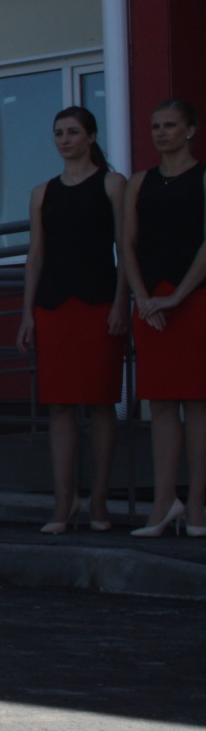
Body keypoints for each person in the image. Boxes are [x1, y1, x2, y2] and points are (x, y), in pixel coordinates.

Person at [16, 106, 127, 534]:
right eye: (58, 132)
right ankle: (65, 501)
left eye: (73, 132)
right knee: (60, 405)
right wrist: (27, 312)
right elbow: (36, 255)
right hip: (53, 307)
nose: (64, 139)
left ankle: (98, 500)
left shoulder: (113, 184)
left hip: (100, 304)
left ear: (91, 136)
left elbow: (124, 247)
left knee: (100, 402)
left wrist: (122, 302)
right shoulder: (42, 191)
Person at [122, 98, 206, 538]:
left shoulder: (204, 178)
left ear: (190, 130)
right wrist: (142, 296)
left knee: (197, 401)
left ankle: (196, 505)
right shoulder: (140, 182)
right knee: (161, 404)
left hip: (193, 301)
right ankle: (163, 502)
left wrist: (178, 296)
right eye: (155, 125)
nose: (161, 132)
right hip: (151, 304)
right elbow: (127, 243)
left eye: (171, 125)